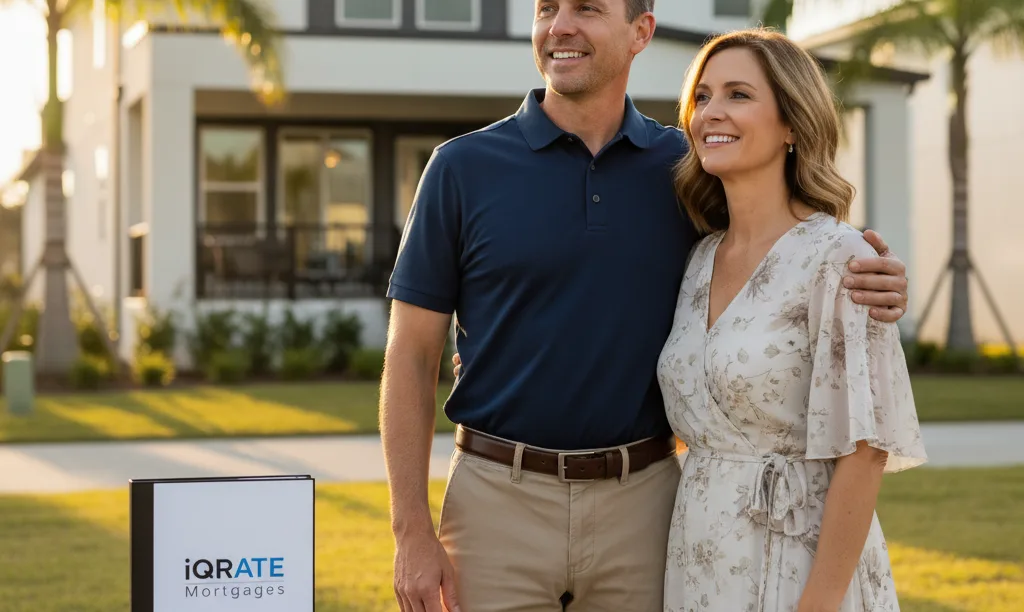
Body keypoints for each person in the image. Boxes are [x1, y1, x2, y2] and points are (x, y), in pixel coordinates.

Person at [381, 2, 909, 611]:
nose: (560, 26)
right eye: (547, 7)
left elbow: (780, 241)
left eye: (587, 7)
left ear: (642, 31)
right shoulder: (461, 168)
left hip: (647, 507)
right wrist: (410, 528)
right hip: (497, 499)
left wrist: (874, 273)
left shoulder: (687, 171)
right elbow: (411, 354)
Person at [655, 28, 927, 612]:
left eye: (738, 95)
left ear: (793, 126)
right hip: (698, 557)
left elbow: (864, 449)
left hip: (798, 562)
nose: (712, 113)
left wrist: (820, 603)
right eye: (701, 97)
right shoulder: (699, 260)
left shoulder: (838, 256)